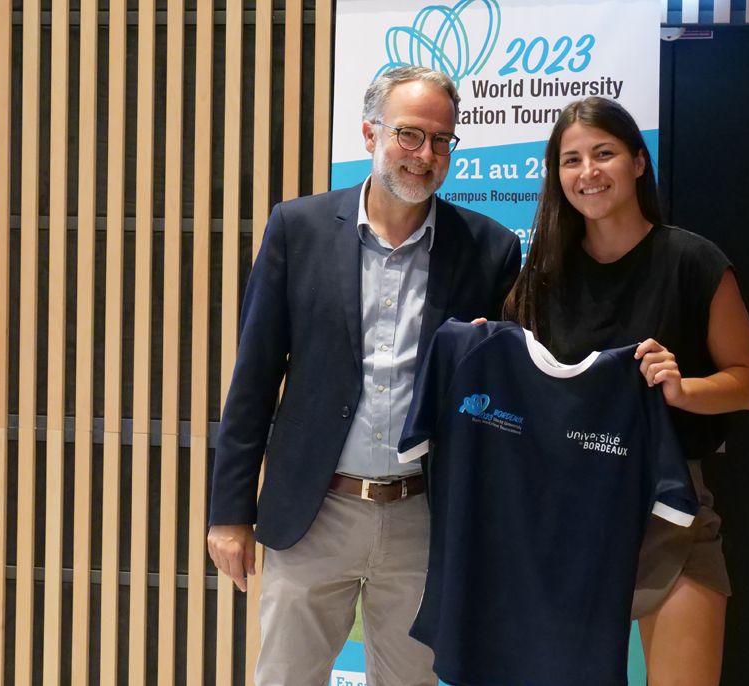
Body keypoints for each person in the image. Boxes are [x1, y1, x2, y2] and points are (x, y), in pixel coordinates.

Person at [207, 66, 520, 685]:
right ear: (368, 133)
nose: (424, 155)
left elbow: (500, 400)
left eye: (441, 141)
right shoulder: (297, 228)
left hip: (424, 519)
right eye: (408, 135)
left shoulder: (489, 249)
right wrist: (228, 512)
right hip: (313, 512)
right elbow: (254, 377)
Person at [502, 97, 749, 686]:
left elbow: (748, 385)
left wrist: (681, 390)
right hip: (567, 513)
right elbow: (517, 396)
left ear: (638, 162)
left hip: (672, 509)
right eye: (571, 160)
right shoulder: (541, 278)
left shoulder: (693, 261)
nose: (588, 172)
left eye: (604, 153)